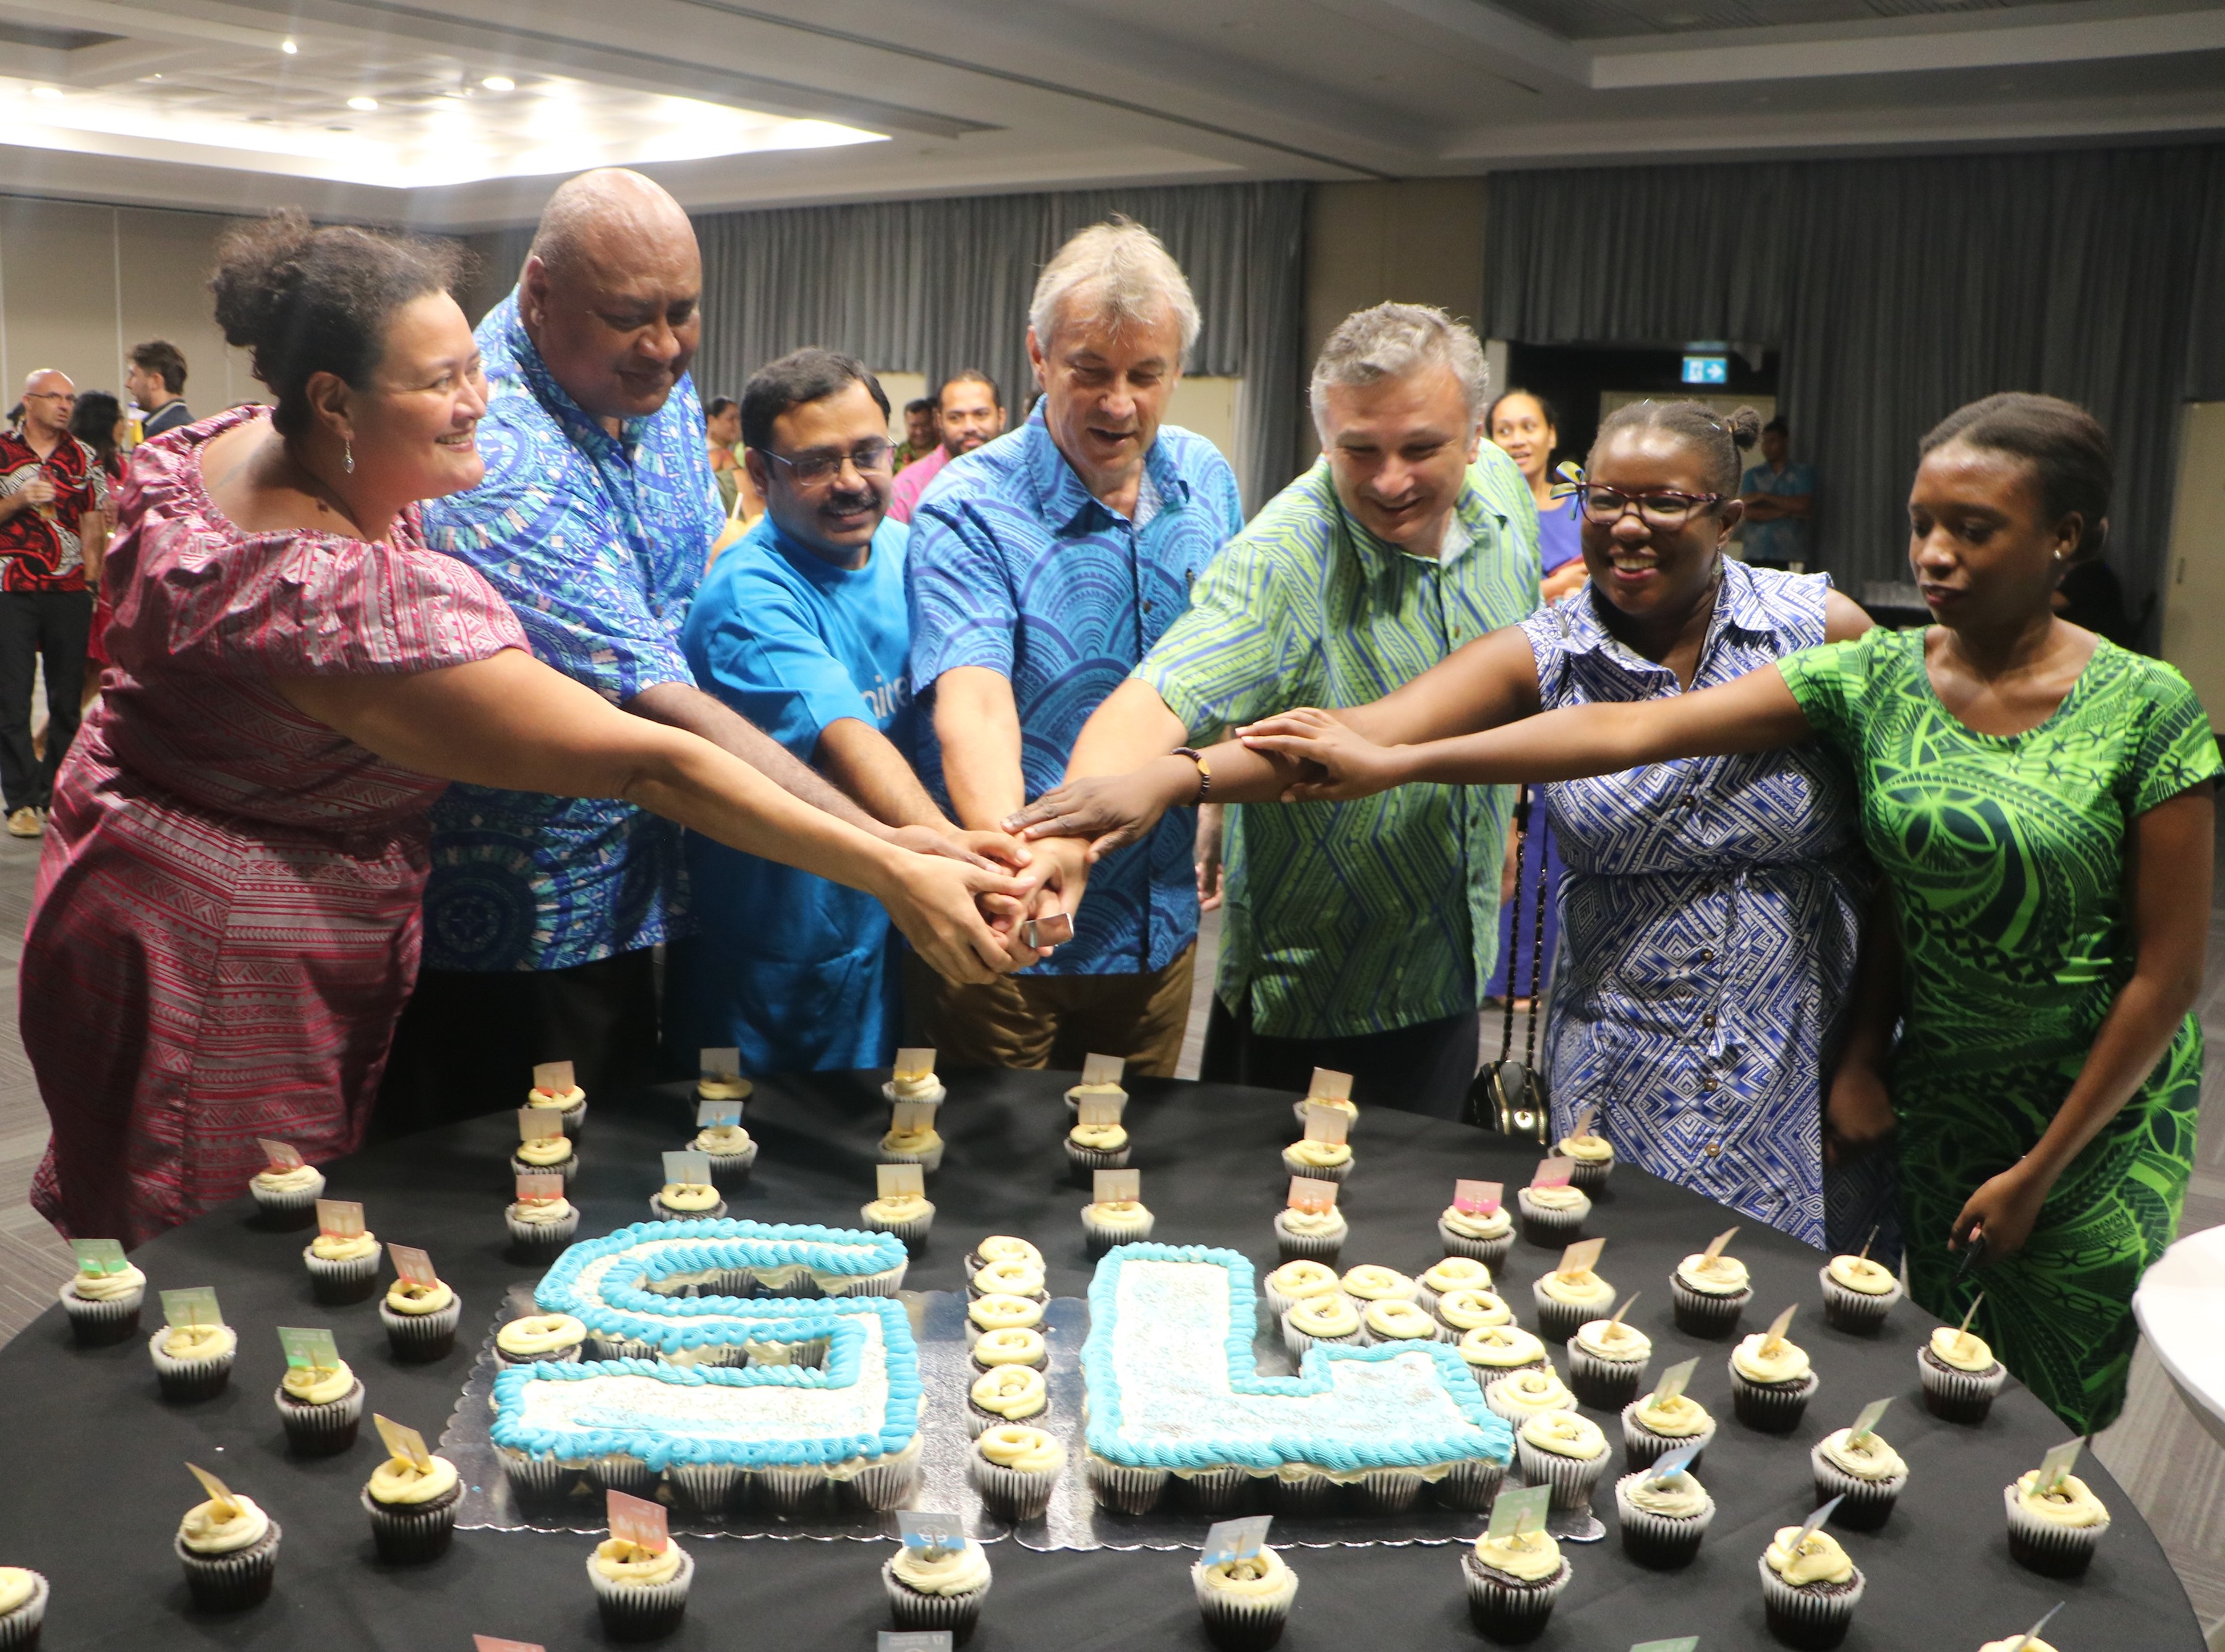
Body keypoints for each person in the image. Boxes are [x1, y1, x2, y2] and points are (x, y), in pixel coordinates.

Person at [20, 211, 1029, 1248]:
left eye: (475, 365)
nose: (479, 404)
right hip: (219, 955)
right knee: (231, 1242)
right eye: (441, 383)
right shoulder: (340, 599)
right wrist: (893, 864)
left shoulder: (239, 441)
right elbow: (649, 761)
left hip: (145, 870)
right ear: (332, 400)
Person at [1235, 392, 2214, 1433]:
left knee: (2033, 1399)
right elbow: (1628, 735)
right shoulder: (1880, 675)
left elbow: (2164, 975)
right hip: (1887, 1084)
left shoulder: (2139, 705)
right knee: (1869, 1353)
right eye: (1921, 524)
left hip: (2052, 1094)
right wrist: (1316, 768)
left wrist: (2019, 1160)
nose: (1933, 554)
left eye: (1970, 529)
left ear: (2064, 537)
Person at [385, 168, 1023, 1131]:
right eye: (628, 318)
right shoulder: (494, 453)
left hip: (667, 874)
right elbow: (659, 710)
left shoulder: (650, 386)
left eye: (682, 312)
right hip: (533, 916)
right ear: (541, 292)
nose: (663, 346)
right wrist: (892, 851)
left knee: (660, 1163)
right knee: (532, 1180)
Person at [1003, 304, 1539, 1115]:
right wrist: (1068, 834)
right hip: (1318, 992)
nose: (1390, 480)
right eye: (1359, 450)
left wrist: (1502, 822)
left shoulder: (1501, 492)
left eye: (1421, 449)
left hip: (1454, 954)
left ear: (1473, 434)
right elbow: (1157, 695)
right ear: (1323, 438)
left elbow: (1517, 677)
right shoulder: (1281, 561)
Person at [908, 218, 1246, 1075]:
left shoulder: (1205, 479)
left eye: (1145, 375)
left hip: (1158, 921)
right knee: (997, 1154)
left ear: (1177, 369)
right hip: (1012, 928)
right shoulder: (969, 504)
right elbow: (976, 705)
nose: (1118, 403)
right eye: (1089, 372)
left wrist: (1214, 802)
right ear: (1038, 355)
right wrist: (1024, 874)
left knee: (1132, 1150)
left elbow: (1222, 662)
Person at [670, 351, 1016, 1073]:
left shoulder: (905, 551)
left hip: (892, 932)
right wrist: (961, 854)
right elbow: (845, 737)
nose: (852, 480)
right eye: (816, 463)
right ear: (759, 473)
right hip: (783, 958)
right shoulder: (748, 596)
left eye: (867, 452)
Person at [0, 370, 108, 839]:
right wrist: (19, 500)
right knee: (12, 698)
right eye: (54, 397)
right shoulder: (3, 451)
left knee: (68, 700)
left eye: (70, 398)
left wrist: (92, 583)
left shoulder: (84, 456)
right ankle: (22, 801)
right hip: (11, 586)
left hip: (69, 589)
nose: (65, 405)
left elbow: (93, 525)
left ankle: (54, 793)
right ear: (28, 402)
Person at [1489, 390, 1585, 602]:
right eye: (1504, 431)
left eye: (1528, 427)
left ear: (1551, 435)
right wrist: (1557, 585)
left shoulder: (1582, 506)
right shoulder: (1484, 512)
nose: (1517, 440)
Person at [66, 393, 126, 714]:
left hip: (112, 580)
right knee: (80, 667)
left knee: (101, 666)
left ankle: (57, 733)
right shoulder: (73, 464)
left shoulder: (120, 466)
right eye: (121, 419)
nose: (125, 425)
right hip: (81, 575)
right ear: (106, 423)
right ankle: (55, 733)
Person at [889, 371, 1005, 524]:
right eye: (955, 418)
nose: (969, 427)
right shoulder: (907, 488)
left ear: (1001, 418)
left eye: (981, 415)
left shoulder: (1026, 479)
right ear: (939, 422)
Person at [1739, 415, 1814, 567]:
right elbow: (1747, 512)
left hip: (1789, 553)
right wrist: (1787, 512)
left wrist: (1763, 497)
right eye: (1764, 442)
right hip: (1756, 552)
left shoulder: (1802, 473)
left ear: (1785, 441)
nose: (1767, 447)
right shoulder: (1753, 475)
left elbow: (1803, 505)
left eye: (1772, 441)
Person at [125, 340, 192, 441]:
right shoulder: (189, 425)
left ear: (156, 381)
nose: (127, 384)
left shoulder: (161, 432)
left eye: (133, 375)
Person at [705, 393, 743, 515]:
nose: (736, 424)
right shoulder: (720, 456)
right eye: (731, 419)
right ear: (712, 421)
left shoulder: (696, 451)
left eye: (738, 419)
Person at [891, 397, 938, 474]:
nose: (919, 432)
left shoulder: (945, 450)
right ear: (906, 424)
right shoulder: (897, 454)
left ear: (932, 422)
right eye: (914, 426)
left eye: (924, 425)